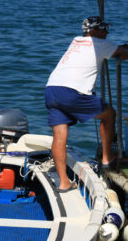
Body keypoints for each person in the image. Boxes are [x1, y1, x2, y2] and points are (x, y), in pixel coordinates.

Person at [44, 16, 128, 192]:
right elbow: (123, 53)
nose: (107, 32)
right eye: (103, 29)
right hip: (71, 92)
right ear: (93, 31)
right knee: (109, 114)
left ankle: (64, 182)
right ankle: (107, 158)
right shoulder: (97, 43)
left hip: (51, 89)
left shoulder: (76, 41)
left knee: (59, 135)